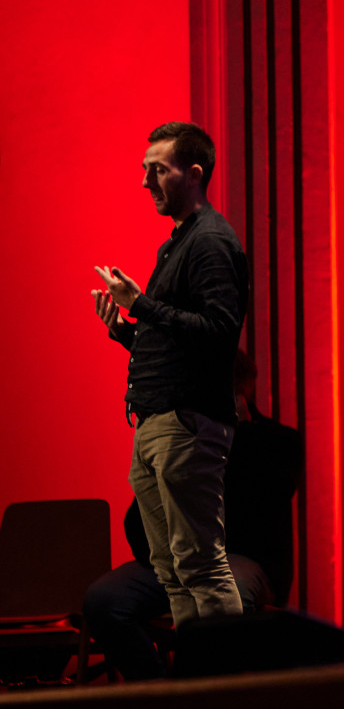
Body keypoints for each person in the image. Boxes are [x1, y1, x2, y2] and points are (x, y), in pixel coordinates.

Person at [91, 122, 250, 627]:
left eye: (157, 170)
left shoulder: (210, 242)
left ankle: (230, 687)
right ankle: (195, 685)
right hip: (156, 424)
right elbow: (178, 341)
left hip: (186, 423)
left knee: (200, 565)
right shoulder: (179, 243)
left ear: (193, 174)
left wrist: (141, 304)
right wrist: (127, 331)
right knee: (171, 571)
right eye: (145, 170)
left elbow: (220, 332)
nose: (145, 182)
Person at [83, 352, 303, 681]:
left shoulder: (277, 442)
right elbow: (137, 524)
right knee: (104, 600)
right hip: (178, 561)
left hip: (240, 560)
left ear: (240, 390)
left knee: (226, 596)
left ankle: (209, 697)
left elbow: (254, 518)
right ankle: (160, 693)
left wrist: (229, 435)